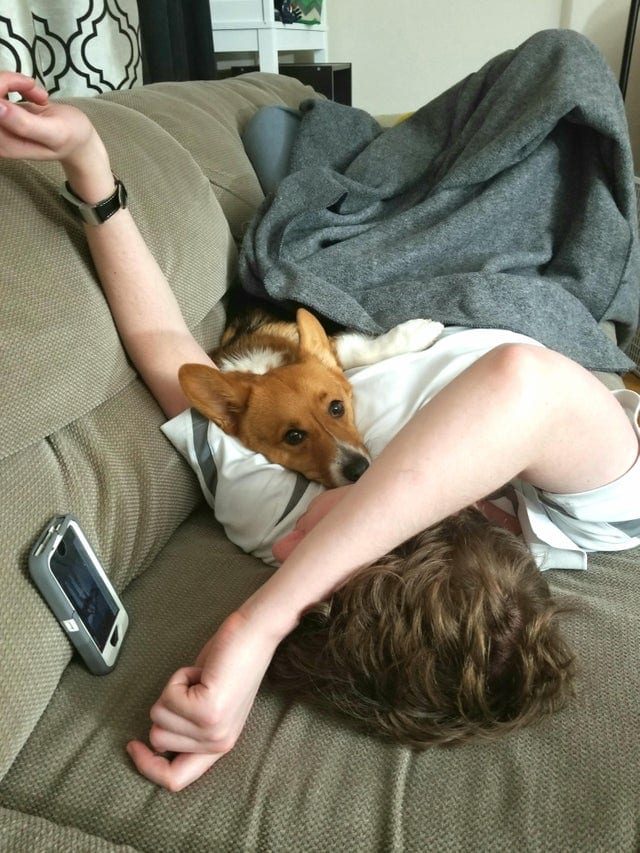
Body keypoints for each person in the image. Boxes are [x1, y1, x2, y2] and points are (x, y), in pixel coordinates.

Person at [2, 71, 639, 792]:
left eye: (299, 580)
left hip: (359, 314)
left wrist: (88, 165)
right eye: (317, 558)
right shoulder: (592, 517)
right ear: (447, 514)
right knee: (561, 77)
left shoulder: (274, 515)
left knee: (296, 160)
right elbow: (523, 381)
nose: (283, 552)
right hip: (476, 282)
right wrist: (258, 625)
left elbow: (162, 344)